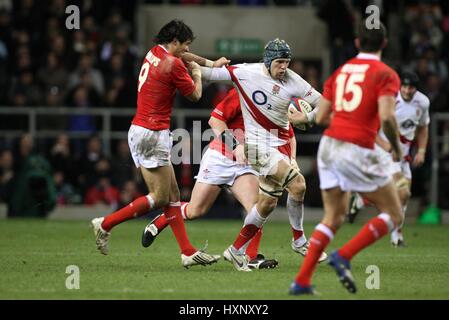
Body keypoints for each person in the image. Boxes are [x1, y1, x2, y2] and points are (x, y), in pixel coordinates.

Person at [90, 19, 229, 268]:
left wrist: (210, 63)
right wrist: (198, 73)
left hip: (140, 129)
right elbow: (196, 95)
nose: (186, 51)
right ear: (174, 42)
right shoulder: (173, 65)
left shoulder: (155, 52)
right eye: (185, 45)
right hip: (153, 133)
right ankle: (106, 223)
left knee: (173, 195)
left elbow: (184, 56)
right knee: (160, 197)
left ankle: (187, 251)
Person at [288, 20, 403, 295]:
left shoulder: (341, 72)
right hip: (356, 148)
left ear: (357, 43)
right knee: (395, 214)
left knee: (333, 217)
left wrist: (303, 118)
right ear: (384, 44)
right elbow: (387, 116)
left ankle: (301, 282)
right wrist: (395, 148)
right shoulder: (386, 74)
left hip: (328, 147)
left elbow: (324, 116)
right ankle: (344, 256)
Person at [200, 38, 326, 271]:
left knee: (266, 204)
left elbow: (324, 103)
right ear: (268, 61)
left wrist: (307, 118)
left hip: (280, 147)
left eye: (287, 62)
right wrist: (184, 61)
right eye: (279, 62)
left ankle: (236, 250)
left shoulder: (293, 80)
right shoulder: (247, 73)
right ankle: (299, 241)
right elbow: (208, 74)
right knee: (298, 185)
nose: (283, 67)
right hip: (256, 147)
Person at [347, 71, 430, 247]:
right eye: (405, 87)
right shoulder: (389, 99)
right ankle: (396, 236)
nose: (407, 90)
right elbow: (371, 127)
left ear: (416, 88)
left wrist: (421, 150)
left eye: (411, 87)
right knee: (403, 192)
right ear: (400, 86)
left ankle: (363, 200)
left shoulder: (422, 102)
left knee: (403, 197)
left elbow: (423, 127)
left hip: (403, 155)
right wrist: (388, 147)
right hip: (385, 152)